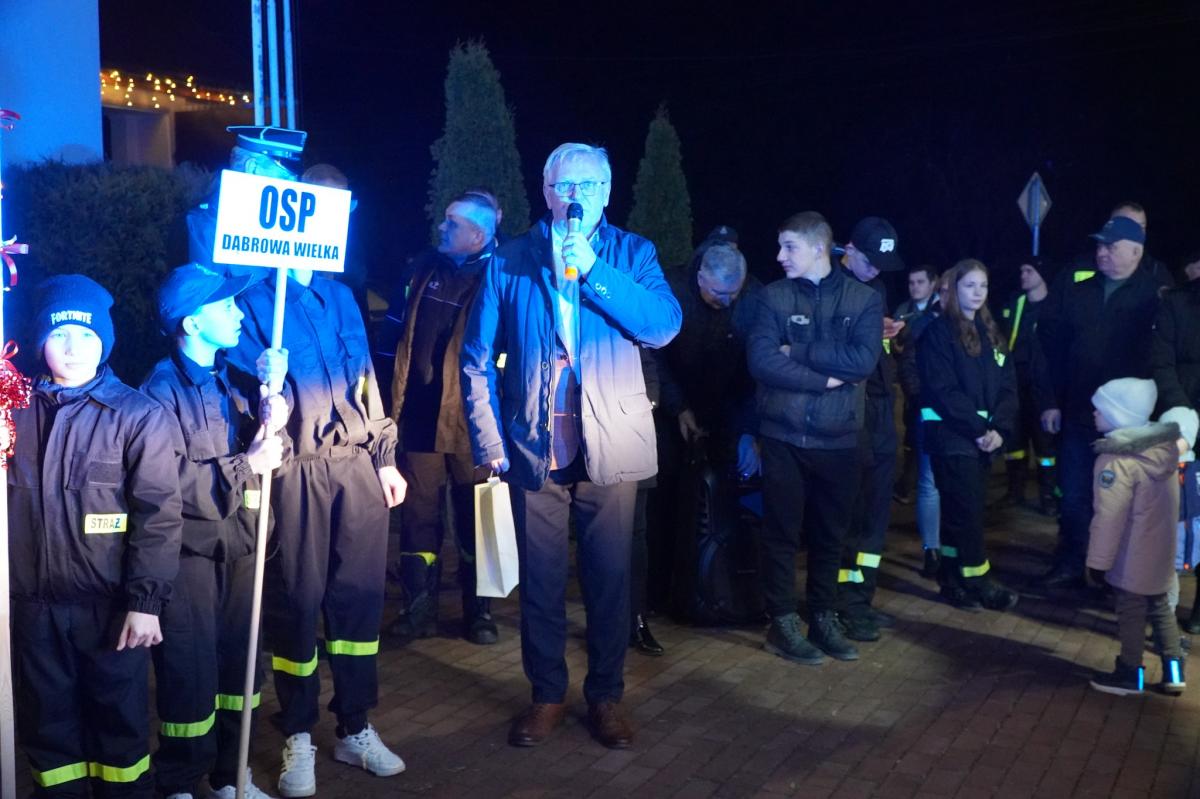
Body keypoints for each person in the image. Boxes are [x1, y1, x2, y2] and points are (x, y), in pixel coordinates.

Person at [461, 142, 681, 750]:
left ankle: (606, 696)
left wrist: (596, 271)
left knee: (609, 581)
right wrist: (489, 439)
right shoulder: (510, 259)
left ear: (607, 192)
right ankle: (547, 695)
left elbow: (663, 325)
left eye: (588, 184)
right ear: (546, 190)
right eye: (565, 185)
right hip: (536, 445)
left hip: (612, 443)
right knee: (541, 582)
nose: (576, 195)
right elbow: (476, 360)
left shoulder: (633, 253)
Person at [226, 265, 408, 791]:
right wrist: (264, 379)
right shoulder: (252, 301)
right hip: (294, 470)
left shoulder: (343, 297)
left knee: (358, 602)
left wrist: (384, 457)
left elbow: (367, 379)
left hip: (355, 466)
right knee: (296, 603)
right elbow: (242, 398)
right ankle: (298, 733)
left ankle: (355, 726)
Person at [7, 274, 183, 798]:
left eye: (86, 335)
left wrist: (145, 603)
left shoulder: (138, 416)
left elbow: (158, 518)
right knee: (48, 734)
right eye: (60, 334)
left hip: (110, 611)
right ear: (40, 340)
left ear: (104, 340)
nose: (73, 347)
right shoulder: (12, 413)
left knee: (119, 732)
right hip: (32, 610)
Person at [140, 264, 288, 799]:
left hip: (242, 547)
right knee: (188, 671)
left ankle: (231, 773)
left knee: (240, 666)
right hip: (190, 558)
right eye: (225, 306)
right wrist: (246, 463)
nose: (238, 313)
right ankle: (179, 783)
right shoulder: (159, 391)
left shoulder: (235, 378)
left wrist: (277, 409)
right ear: (192, 324)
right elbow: (167, 484)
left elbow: (273, 455)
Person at [746, 211, 883, 665]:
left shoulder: (864, 299)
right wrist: (823, 379)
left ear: (819, 247)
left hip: (840, 438)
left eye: (789, 247)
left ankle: (823, 616)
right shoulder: (773, 296)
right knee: (781, 534)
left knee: (831, 536)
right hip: (783, 435)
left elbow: (862, 361)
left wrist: (798, 351)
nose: (779, 256)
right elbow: (762, 360)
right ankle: (783, 621)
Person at [380, 193, 499, 645]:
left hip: (475, 426)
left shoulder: (502, 275)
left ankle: (479, 613)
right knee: (418, 518)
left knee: (479, 518)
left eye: (453, 223)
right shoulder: (422, 269)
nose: (442, 227)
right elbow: (393, 335)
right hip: (419, 419)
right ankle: (417, 610)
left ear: (478, 235)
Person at [1035, 216, 1163, 588]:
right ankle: (1072, 560)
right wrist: (1049, 400)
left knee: (1120, 498)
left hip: (1128, 424)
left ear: (1136, 251)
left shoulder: (1154, 298)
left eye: (1111, 246)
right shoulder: (1078, 291)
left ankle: (1110, 571)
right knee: (1074, 493)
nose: (1101, 252)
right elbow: (1050, 349)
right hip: (1078, 412)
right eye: (1100, 245)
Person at [653, 241, 759, 643]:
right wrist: (678, 407)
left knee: (721, 503)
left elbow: (754, 373)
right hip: (673, 409)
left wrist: (747, 430)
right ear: (700, 277)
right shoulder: (671, 288)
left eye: (733, 294)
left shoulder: (753, 299)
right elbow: (656, 357)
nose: (726, 301)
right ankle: (660, 591)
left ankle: (716, 586)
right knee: (665, 500)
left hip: (728, 411)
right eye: (718, 293)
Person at [917, 259, 1019, 612]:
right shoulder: (938, 334)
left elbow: (1008, 386)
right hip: (952, 438)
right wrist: (979, 429)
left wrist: (1000, 429)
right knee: (969, 513)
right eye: (970, 285)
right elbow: (943, 390)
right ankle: (978, 581)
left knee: (958, 514)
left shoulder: (992, 333)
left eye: (983, 286)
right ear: (954, 289)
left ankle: (951, 578)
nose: (978, 292)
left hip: (983, 440)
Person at [1086, 378, 1188, 696]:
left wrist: (1097, 563)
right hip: (1160, 551)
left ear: (1118, 416)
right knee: (1160, 607)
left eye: (1100, 409)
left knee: (1130, 610)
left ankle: (1130, 674)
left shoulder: (1116, 463)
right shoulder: (1163, 453)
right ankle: (1174, 671)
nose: (1094, 413)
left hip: (1131, 553)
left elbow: (1109, 519)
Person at [837, 217, 907, 641]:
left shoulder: (876, 287)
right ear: (849, 250)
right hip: (850, 411)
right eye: (870, 260)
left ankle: (862, 599)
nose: (877, 269)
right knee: (851, 512)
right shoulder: (831, 287)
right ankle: (841, 603)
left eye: (883, 263)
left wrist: (891, 337)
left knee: (877, 514)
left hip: (881, 409)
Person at [1151, 264, 1200, 631]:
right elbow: (1162, 362)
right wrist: (1182, 414)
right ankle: (1162, 597)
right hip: (1182, 424)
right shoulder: (1177, 304)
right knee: (1178, 514)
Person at [996, 259, 1059, 515]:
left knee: (1046, 446)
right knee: (1014, 441)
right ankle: (1014, 492)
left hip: (1044, 386)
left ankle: (1048, 496)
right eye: (1021, 270)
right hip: (1015, 383)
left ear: (1042, 274)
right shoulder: (1015, 304)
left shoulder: (1055, 306)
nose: (1023, 274)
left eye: (1029, 270)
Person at [895, 272, 946, 578]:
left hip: (963, 420)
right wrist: (920, 399)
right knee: (929, 482)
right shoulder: (923, 323)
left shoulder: (978, 326)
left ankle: (954, 547)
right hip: (930, 412)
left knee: (952, 484)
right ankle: (932, 550)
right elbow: (909, 365)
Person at [893, 265, 936, 505]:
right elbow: (893, 344)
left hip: (933, 385)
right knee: (911, 433)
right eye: (911, 283)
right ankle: (907, 482)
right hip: (910, 384)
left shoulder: (941, 309)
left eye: (920, 282)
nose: (915, 287)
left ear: (932, 284)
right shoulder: (902, 311)